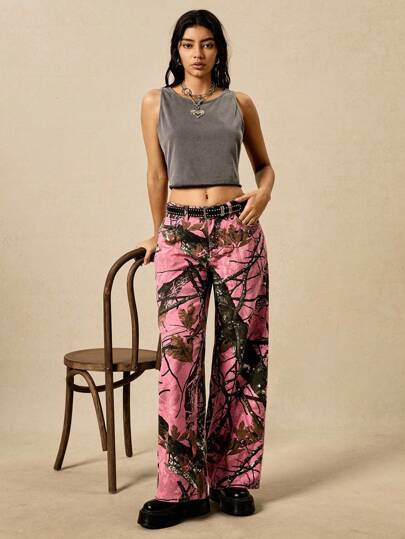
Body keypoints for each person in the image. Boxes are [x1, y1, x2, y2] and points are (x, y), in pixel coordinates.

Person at [136, 9, 275, 529]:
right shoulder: (156, 102)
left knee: (242, 351)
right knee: (179, 356)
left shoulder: (240, 103)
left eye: (208, 44)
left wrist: (263, 194)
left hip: (237, 230)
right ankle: (179, 489)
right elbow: (156, 174)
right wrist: (157, 232)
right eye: (189, 44)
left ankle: (232, 478)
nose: (198, 54)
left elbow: (264, 166)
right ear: (177, 50)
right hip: (180, 231)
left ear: (220, 50)